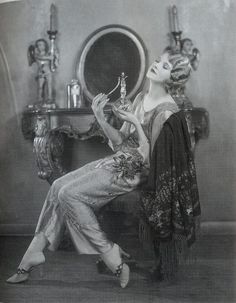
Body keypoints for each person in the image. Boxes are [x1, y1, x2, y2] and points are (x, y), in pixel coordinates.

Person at [6, 52, 193, 287]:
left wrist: (135, 123)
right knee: (57, 185)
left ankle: (110, 254)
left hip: (135, 171)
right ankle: (33, 253)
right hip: (120, 161)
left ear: (171, 78)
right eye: (158, 60)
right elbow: (120, 142)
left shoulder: (166, 111)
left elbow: (151, 159)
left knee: (68, 194)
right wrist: (100, 118)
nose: (156, 65)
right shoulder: (141, 99)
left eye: (164, 66)